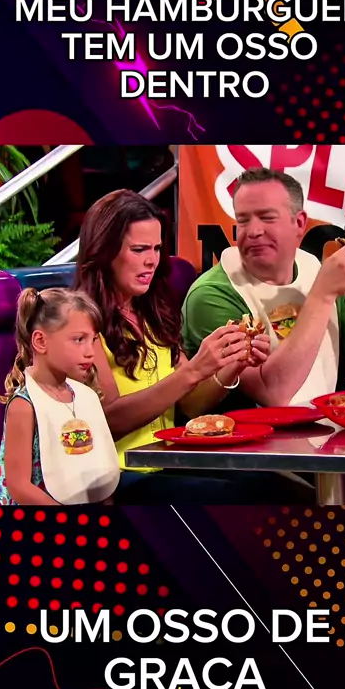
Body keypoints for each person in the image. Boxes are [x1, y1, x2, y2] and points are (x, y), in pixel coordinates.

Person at [73, 189, 300, 504]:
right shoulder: (80, 321)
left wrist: (231, 363)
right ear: (104, 251)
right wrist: (194, 370)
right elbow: (108, 421)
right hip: (117, 473)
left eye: (156, 248)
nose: (152, 260)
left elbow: (191, 407)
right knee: (234, 497)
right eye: (139, 250)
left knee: (273, 484)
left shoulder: (150, 313)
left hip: (167, 460)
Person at [182, 167, 345, 411]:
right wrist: (322, 295)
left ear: (299, 223)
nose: (254, 231)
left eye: (267, 217)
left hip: (328, 428)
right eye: (243, 220)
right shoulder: (212, 294)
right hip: (247, 434)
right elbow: (274, 395)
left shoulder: (322, 274)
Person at [0, 288, 120, 505]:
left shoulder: (85, 397)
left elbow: (100, 468)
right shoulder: (24, 406)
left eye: (93, 340)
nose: (90, 352)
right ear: (41, 341)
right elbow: (19, 486)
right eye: (79, 339)